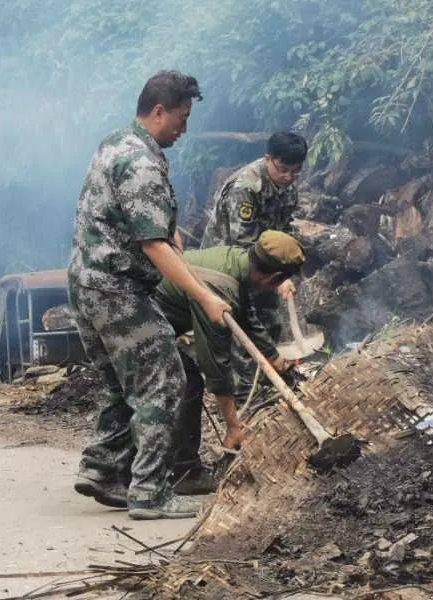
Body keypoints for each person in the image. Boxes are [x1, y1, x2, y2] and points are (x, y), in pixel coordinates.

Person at [69, 70, 231, 520]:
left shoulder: (115, 143)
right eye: (181, 117)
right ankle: (150, 491)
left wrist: (165, 227)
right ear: (158, 111)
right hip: (116, 289)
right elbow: (154, 246)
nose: (184, 127)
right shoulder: (142, 161)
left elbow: (127, 214)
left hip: (86, 283)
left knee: (123, 383)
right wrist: (204, 296)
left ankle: (103, 469)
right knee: (165, 378)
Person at [155, 231, 305, 494]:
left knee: (181, 380)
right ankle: (185, 472)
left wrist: (275, 358)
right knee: (186, 383)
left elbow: (247, 316)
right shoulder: (221, 286)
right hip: (141, 319)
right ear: (272, 278)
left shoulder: (238, 261)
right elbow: (215, 363)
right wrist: (233, 426)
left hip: (157, 320)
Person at [201, 132, 308, 395]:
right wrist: (278, 278)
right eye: (283, 170)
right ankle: (246, 394)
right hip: (228, 264)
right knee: (243, 330)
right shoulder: (246, 188)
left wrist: (285, 274)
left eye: (296, 172)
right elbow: (243, 243)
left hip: (262, 264)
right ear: (268, 158)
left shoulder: (288, 187)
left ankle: (268, 379)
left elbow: (284, 231)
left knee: (269, 320)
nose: (289, 177)